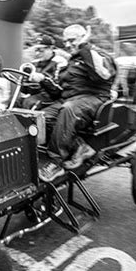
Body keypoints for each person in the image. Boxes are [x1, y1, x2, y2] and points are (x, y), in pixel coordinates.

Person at [28, 25, 117, 182]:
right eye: (65, 41)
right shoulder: (72, 61)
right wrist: (44, 82)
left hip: (93, 98)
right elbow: (60, 91)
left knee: (68, 109)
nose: (68, 45)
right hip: (69, 100)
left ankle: (55, 162)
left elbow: (104, 74)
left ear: (84, 38)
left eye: (72, 40)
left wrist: (84, 46)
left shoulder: (99, 55)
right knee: (40, 118)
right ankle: (78, 146)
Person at [20, 35, 67, 110]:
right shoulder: (34, 63)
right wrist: (25, 81)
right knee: (15, 103)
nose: (37, 54)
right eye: (36, 50)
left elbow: (58, 90)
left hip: (53, 98)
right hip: (36, 95)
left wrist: (43, 79)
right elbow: (25, 91)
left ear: (51, 49)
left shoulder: (60, 62)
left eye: (41, 50)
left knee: (30, 103)